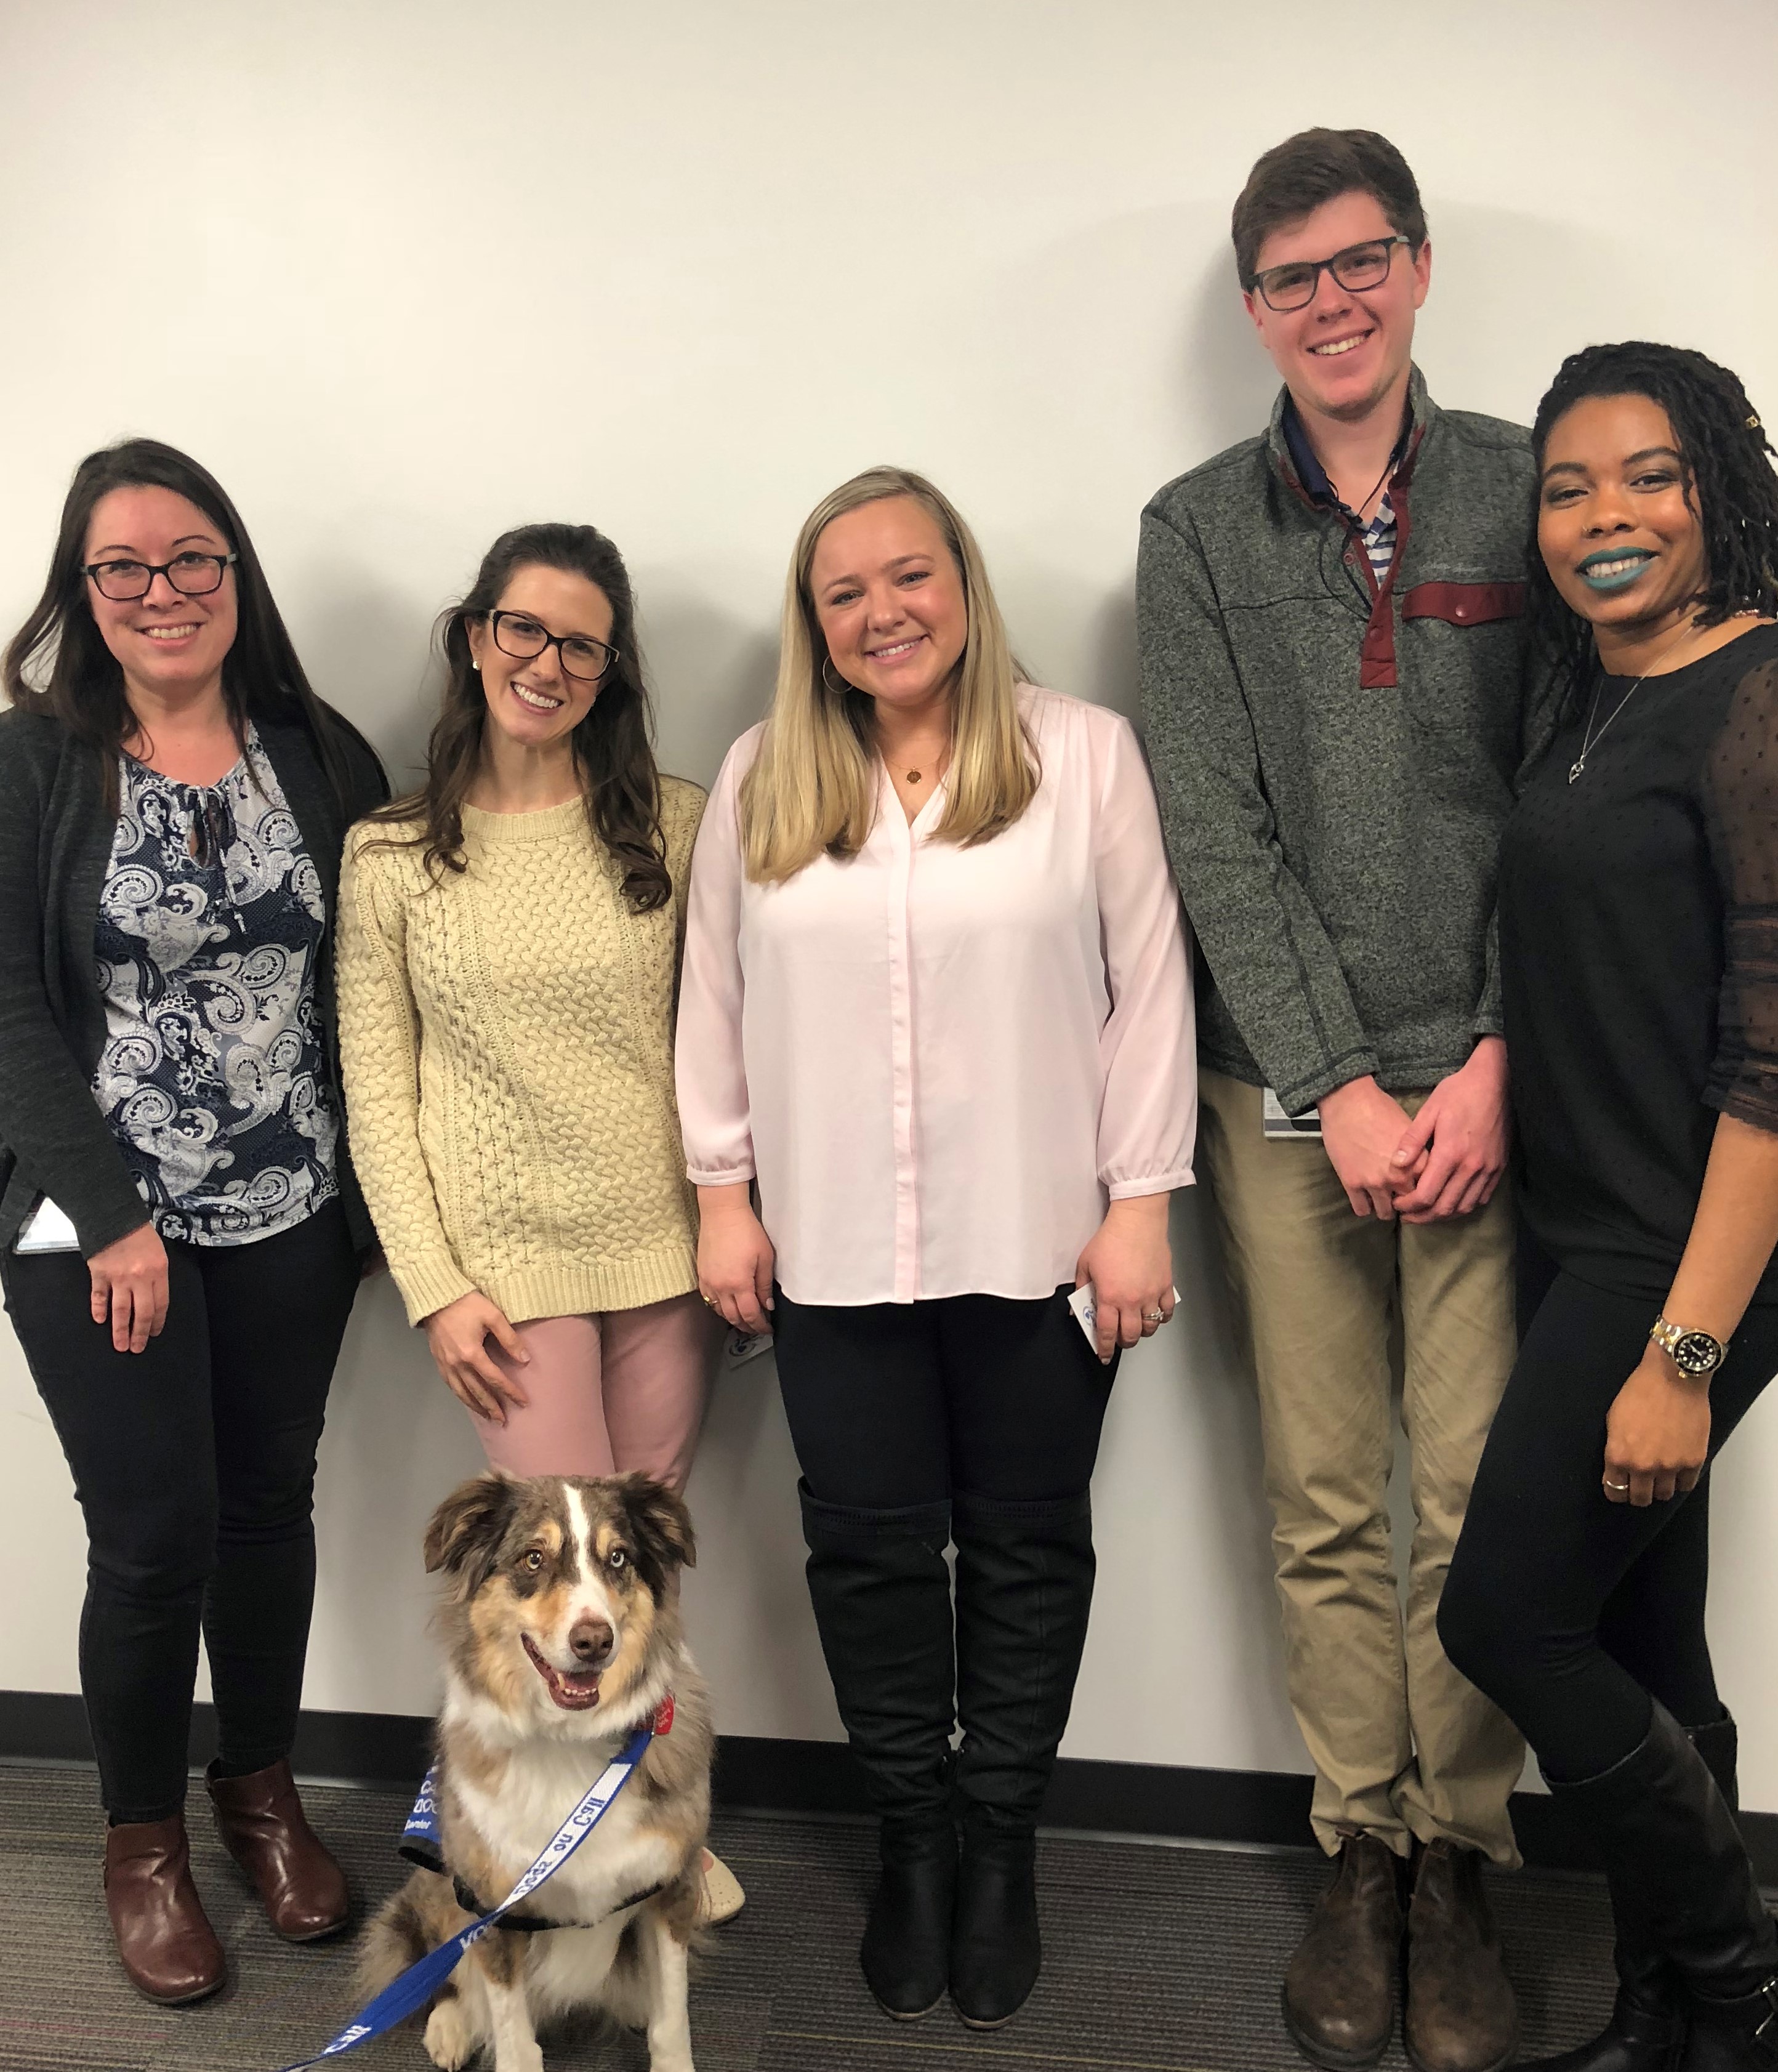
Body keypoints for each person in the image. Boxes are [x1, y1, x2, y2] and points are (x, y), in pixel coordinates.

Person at [676, 465, 1195, 2030]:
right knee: (872, 1558)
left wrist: (1139, 1200)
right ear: (814, 626)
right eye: (846, 592)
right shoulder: (763, 777)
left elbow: (1149, 983)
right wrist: (721, 1191)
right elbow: (713, 999)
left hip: (1042, 1244)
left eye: (910, 577)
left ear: (962, 587)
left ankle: (1001, 1847)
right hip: (829, 1253)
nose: (882, 611)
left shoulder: (1083, 758)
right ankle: (911, 1839)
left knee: (1032, 1551)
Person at [1138, 129, 1544, 2072]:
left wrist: (1482, 1054)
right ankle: (1359, 1847)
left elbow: (1569, 795)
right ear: (1254, 308)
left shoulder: (1528, 484)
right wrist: (1337, 1080)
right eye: (1293, 276)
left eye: (1361, 260)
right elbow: (1213, 833)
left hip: (1484, 1089)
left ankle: (1462, 1852)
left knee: (1471, 1495)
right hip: (1285, 1095)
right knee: (1322, 1497)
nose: (1333, 301)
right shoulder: (1196, 527)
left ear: (1421, 267)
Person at [0, 440, 387, 2005]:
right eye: (124, 568)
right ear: (84, 596)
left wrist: (368, 1203)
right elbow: (9, 1010)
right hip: (95, 1229)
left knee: (265, 1515)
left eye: (193, 560)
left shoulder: (315, 751)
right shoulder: (33, 762)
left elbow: (366, 981)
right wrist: (108, 1213)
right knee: (153, 1543)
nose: (162, 593)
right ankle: (142, 1844)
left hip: (288, 1205)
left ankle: (262, 1790)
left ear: (236, 575)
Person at [1438, 344, 1778, 2072]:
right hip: (1586, 1224)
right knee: (1644, 1626)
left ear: (1718, 484)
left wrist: (1685, 1348)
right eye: (1567, 489)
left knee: (1504, 1613)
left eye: (1648, 474)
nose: (1606, 516)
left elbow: (1776, 1069)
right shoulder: (1591, 694)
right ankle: (1672, 2005)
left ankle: (1738, 1974)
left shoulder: (1761, 694)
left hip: (1688, 1244)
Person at [334, 520, 742, 1922]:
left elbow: (732, 1034)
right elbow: (376, 1095)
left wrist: (737, 1219)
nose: (547, 662)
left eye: (580, 643)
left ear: (611, 669)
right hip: (507, 1280)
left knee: (636, 1581)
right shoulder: (391, 855)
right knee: (550, 1592)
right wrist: (435, 1285)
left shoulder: (678, 826)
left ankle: (646, 1838)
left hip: (667, 1253)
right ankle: (505, 1851)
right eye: (524, 629)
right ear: (474, 635)